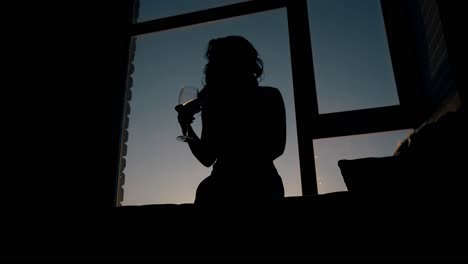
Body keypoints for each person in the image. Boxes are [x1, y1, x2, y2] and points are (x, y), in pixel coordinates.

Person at [176, 36, 286, 207]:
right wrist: (186, 125)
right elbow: (276, 147)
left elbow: (207, 157)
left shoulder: (215, 104)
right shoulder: (270, 96)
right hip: (264, 184)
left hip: (226, 186)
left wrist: (186, 125)